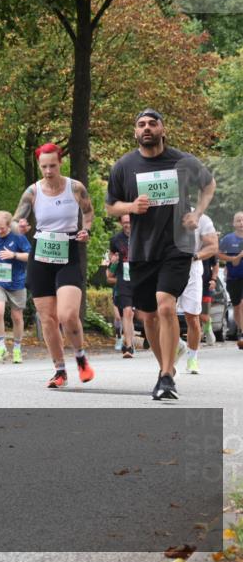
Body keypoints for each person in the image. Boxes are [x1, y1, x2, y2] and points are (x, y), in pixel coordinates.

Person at [106, 109, 216, 400]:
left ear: (162, 129)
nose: (147, 128)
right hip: (142, 249)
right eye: (141, 124)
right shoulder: (124, 166)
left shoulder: (182, 161)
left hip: (177, 245)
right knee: (149, 316)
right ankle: (165, 366)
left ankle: (167, 377)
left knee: (166, 305)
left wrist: (197, 213)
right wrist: (130, 208)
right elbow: (111, 206)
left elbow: (209, 185)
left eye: (152, 124)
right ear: (135, 132)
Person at [13, 143, 95, 389]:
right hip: (41, 253)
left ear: (60, 163)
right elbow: (17, 219)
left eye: (52, 166)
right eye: (44, 166)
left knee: (68, 315)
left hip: (68, 251)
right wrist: (21, 226)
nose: (48, 171)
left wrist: (85, 230)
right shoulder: (33, 191)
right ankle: (59, 371)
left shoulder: (75, 187)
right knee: (47, 318)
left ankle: (80, 357)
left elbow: (88, 213)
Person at [0, 212, 30, 362]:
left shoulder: (18, 237)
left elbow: (31, 255)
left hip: (17, 282)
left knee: (16, 317)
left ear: (9, 225)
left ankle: (17, 348)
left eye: (2, 228)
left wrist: (14, 255)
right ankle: (1, 347)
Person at [174, 210, 218, 374]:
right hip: (168, 267)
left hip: (192, 268)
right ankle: (178, 344)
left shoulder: (201, 218)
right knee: (162, 312)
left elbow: (213, 246)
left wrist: (195, 256)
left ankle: (192, 358)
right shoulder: (162, 212)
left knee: (192, 317)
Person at [107, 214, 136, 358]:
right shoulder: (115, 240)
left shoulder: (141, 235)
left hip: (138, 278)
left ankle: (128, 340)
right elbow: (111, 259)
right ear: (120, 223)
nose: (127, 225)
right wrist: (113, 260)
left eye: (129, 222)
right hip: (123, 278)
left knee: (143, 316)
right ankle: (128, 347)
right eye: (124, 222)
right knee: (127, 312)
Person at [218, 211, 243, 350]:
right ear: (234, 223)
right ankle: (241, 330)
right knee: (237, 305)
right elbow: (218, 254)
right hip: (233, 278)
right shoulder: (228, 239)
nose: (241, 223)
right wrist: (234, 259)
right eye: (238, 220)